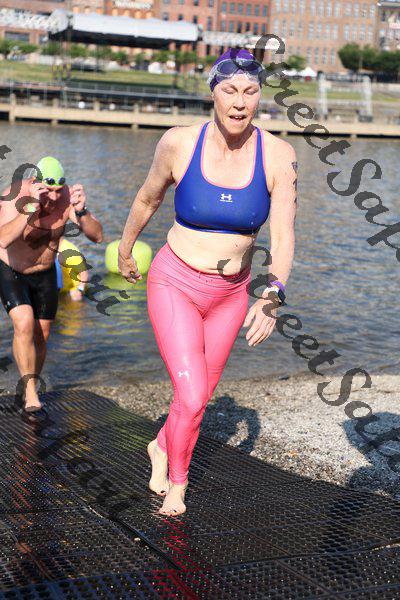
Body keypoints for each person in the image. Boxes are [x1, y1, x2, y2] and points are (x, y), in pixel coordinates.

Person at [119, 48, 297, 516]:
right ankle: (177, 486)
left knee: (196, 398)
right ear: (213, 94)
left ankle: (161, 445)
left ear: (260, 96)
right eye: (230, 90)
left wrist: (273, 294)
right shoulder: (178, 143)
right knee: (193, 394)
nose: (240, 102)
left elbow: (283, 234)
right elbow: (148, 198)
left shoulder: (279, 156)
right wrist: (125, 247)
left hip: (231, 295)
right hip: (175, 282)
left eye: (250, 92)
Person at [0, 156, 103, 412]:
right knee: (23, 322)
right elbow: (3, 239)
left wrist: (81, 211)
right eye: (49, 191)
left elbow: (97, 236)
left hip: (45, 272)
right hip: (12, 269)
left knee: (41, 335)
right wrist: (30, 209)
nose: (55, 197)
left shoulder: (65, 198)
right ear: (34, 182)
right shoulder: (14, 196)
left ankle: (31, 383)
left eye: (59, 190)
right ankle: (30, 392)